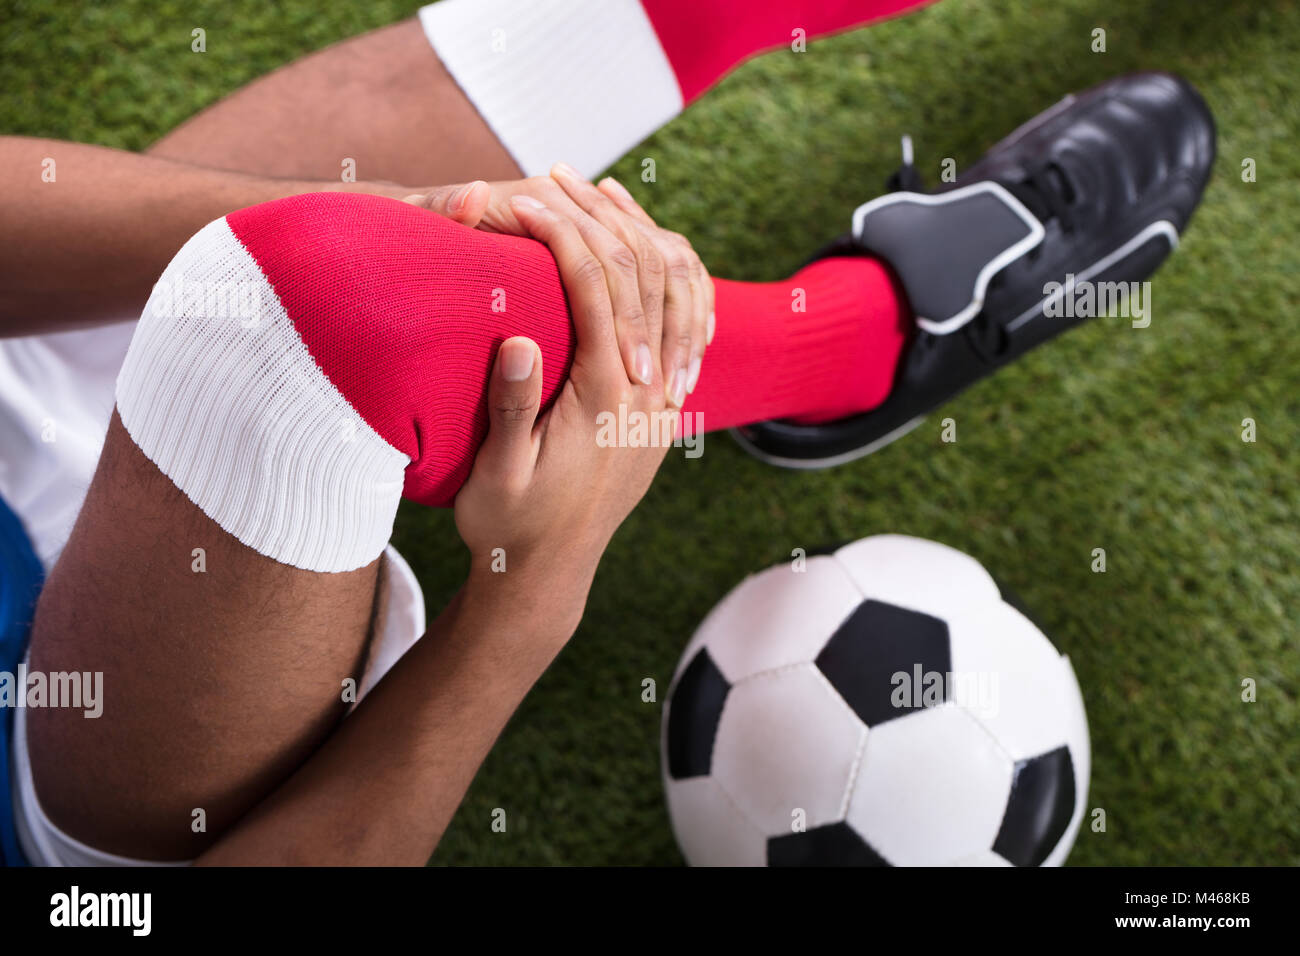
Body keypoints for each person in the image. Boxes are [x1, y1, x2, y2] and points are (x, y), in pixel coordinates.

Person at [0, 0, 1213, 866]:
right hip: (64, 745)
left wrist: (412, 203)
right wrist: (528, 594)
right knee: (319, 318)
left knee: (629, 18)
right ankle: (863, 343)